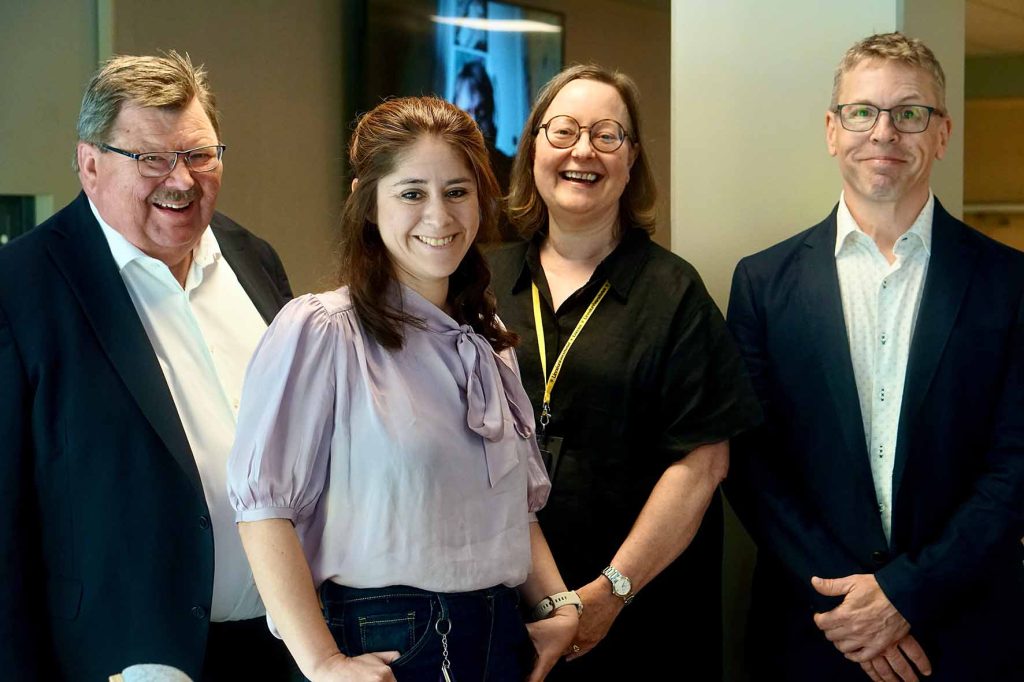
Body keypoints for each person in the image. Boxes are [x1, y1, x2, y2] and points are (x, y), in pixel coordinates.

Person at [227, 96, 577, 682]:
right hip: (384, 641)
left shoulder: (489, 345)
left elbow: (513, 510)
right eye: (412, 192)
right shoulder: (323, 331)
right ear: (369, 202)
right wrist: (322, 662)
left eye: (457, 191)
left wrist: (558, 604)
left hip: (500, 634)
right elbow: (263, 511)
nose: (439, 217)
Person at [726, 32, 1024, 682]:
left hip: (964, 635)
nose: (884, 132)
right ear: (832, 130)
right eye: (863, 112)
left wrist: (905, 595)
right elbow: (750, 464)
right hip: (814, 633)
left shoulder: (1010, 283)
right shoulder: (763, 282)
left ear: (941, 133)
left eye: (909, 113)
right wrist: (854, 603)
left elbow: (1016, 469)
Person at [0, 52, 294, 680]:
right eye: (152, 159)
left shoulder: (252, 258)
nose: (181, 180)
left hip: (284, 646)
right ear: (90, 165)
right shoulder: (21, 288)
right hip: (125, 658)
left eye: (199, 155)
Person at [486, 64, 762, 680]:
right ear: (533, 148)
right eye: (562, 132)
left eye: (607, 135)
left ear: (631, 161)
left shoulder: (673, 292)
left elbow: (702, 464)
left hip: (640, 617)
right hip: (501, 608)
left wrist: (607, 594)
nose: (583, 150)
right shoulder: (478, 286)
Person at [453, 59, 515, 241]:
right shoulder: (437, 170)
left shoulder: (510, 171)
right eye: (467, 112)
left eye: (480, 111)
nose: (474, 123)